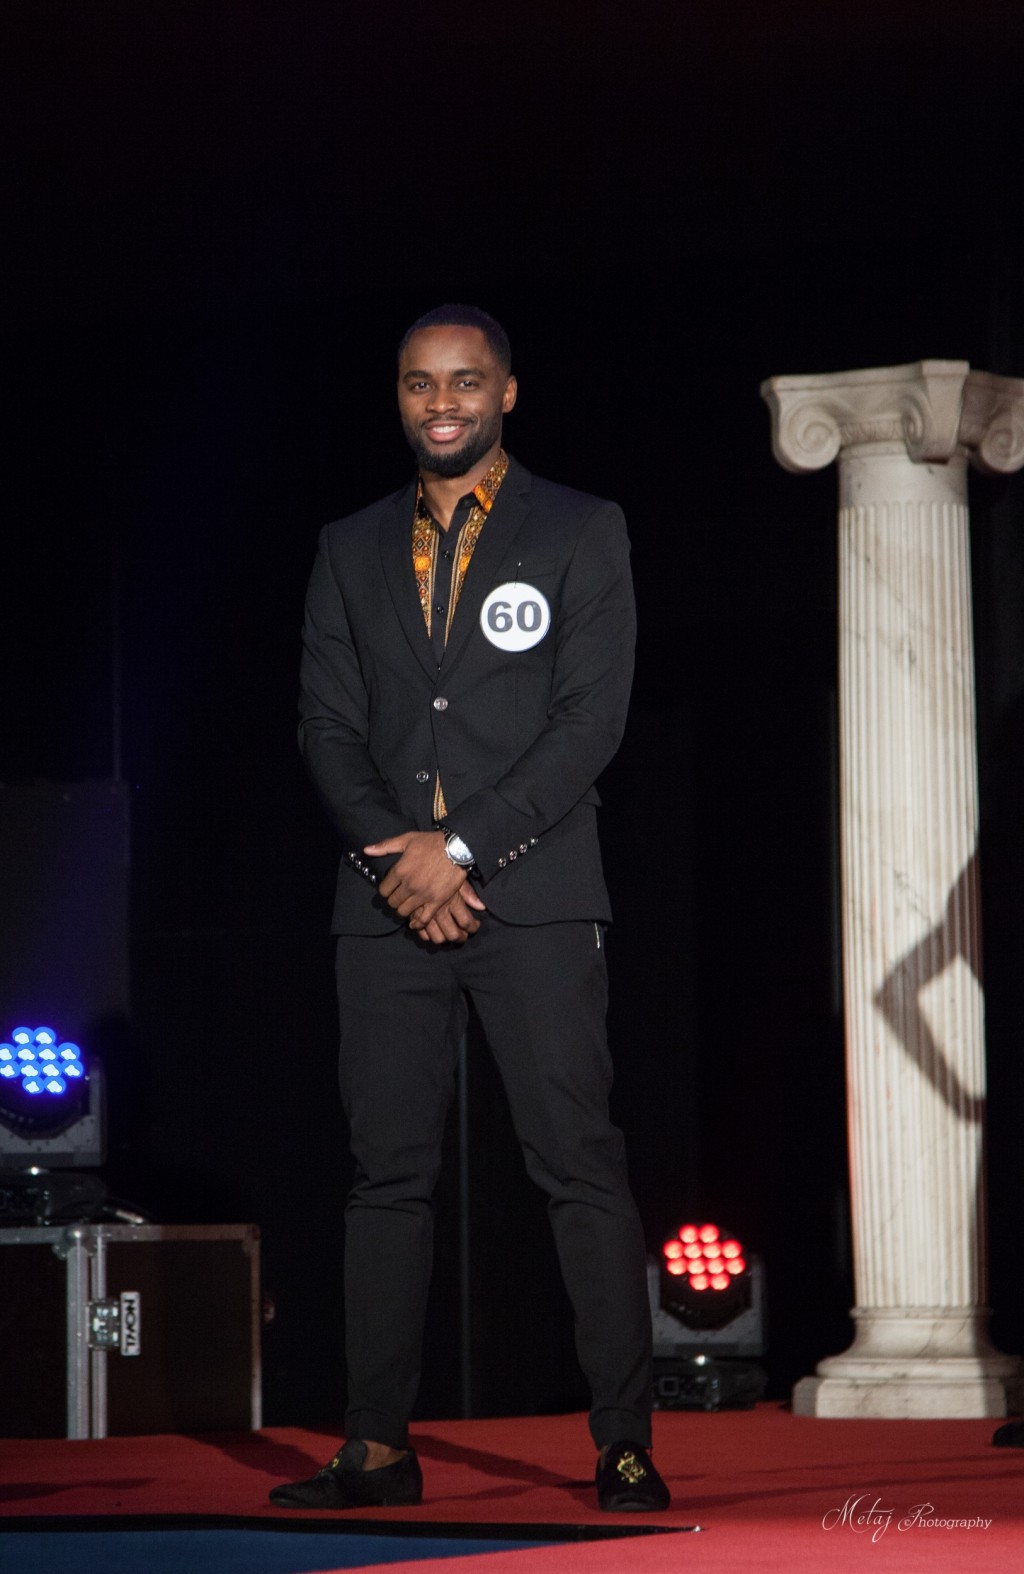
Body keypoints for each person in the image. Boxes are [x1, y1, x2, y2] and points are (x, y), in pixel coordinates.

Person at [269, 304, 669, 1514]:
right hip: (383, 899)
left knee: (575, 1163)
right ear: (397, 395)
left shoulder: (580, 527)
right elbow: (326, 726)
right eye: (418, 382)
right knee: (385, 1176)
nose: (440, 402)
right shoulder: (348, 543)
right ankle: (376, 1446)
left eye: (464, 381)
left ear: (506, 392)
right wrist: (403, 859)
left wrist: (458, 847)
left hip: (532, 893)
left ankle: (624, 1442)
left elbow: (589, 722)